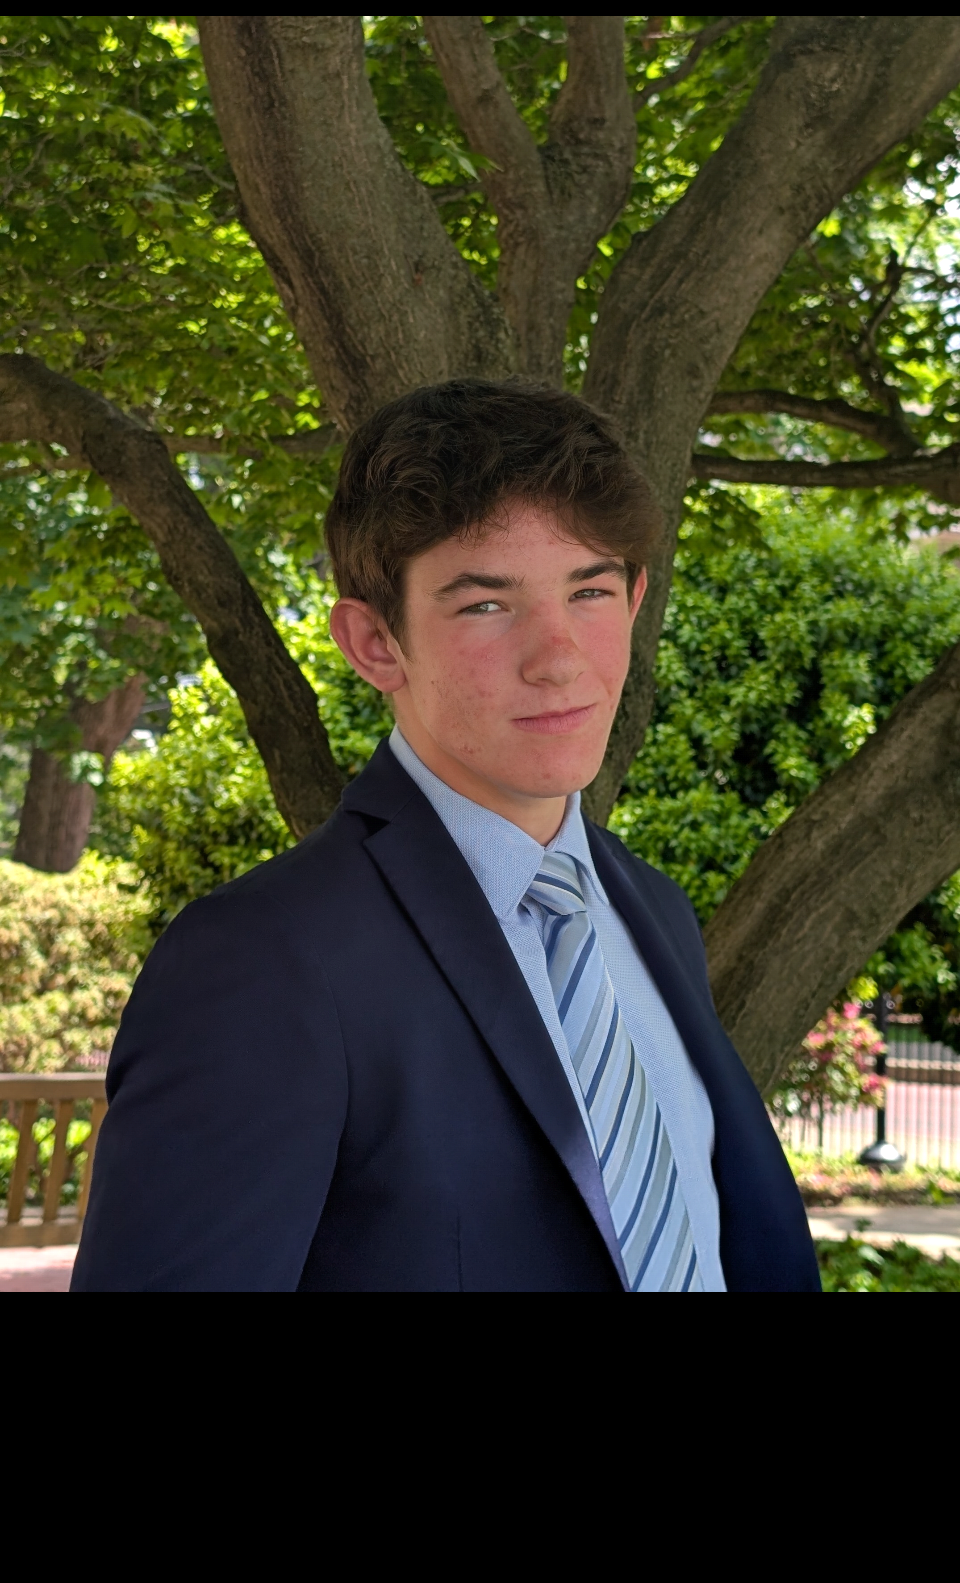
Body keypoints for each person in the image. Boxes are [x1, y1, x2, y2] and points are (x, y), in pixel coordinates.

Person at [72, 379, 819, 1292]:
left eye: (588, 590)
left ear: (634, 603)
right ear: (374, 644)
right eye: (485, 606)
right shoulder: (261, 962)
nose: (559, 658)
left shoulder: (653, 910)